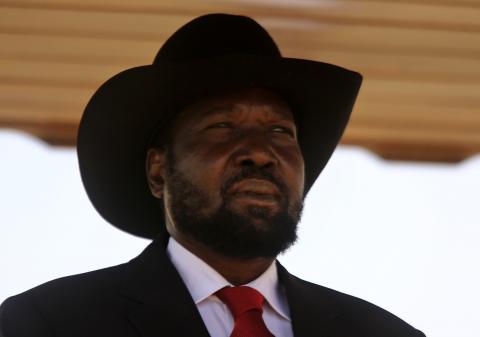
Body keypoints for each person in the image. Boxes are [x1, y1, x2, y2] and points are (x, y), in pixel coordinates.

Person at [0, 13, 425, 337]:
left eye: (280, 131)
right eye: (223, 126)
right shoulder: (45, 324)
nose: (260, 152)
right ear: (158, 170)